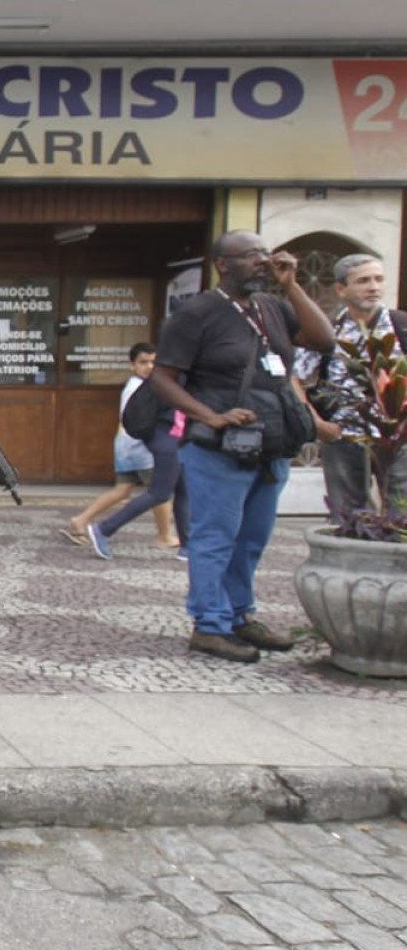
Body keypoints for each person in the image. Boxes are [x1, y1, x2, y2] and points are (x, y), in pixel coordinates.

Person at [149, 232, 335, 663]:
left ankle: (239, 614)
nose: (263, 263)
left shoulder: (272, 306)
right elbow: (162, 378)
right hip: (219, 446)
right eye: (253, 256)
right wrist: (209, 415)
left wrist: (291, 285)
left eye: (266, 255)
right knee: (216, 536)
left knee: (252, 538)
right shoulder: (197, 314)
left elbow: (323, 340)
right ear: (224, 265)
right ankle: (209, 624)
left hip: (271, 442)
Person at [295, 254, 407, 516]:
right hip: (343, 434)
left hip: (398, 437)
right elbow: (294, 377)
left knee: (402, 514)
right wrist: (317, 423)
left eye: (379, 279)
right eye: (363, 281)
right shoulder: (326, 329)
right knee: (348, 515)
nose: (374, 287)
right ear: (341, 289)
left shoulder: (401, 325)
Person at [67, 343, 182, 560]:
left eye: (153, 362)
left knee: (123, 490)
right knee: (161, 492)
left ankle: (81, 520)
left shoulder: (138, 385)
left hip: (126, 446)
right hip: (140, 448)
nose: (149, 367)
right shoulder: (139, 388)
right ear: (132, 365)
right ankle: (165, 534)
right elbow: (140, 420)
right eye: (143, 362)